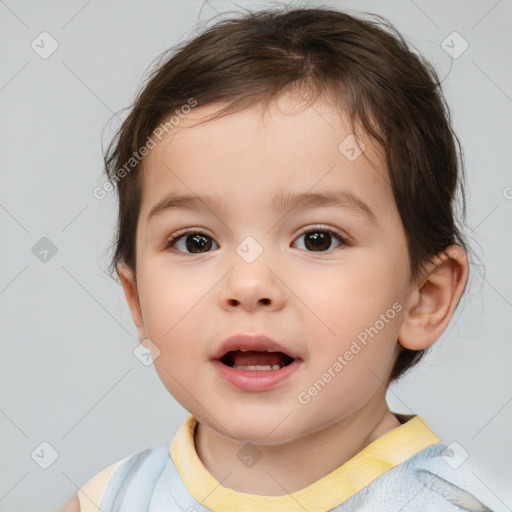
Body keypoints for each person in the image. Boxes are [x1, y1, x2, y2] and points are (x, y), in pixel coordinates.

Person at [61, 5, 500, 511]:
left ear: (423, 299)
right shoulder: (107, 501)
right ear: (137, 300)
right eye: (195, 242)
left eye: (317, 239)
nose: (249, 285)